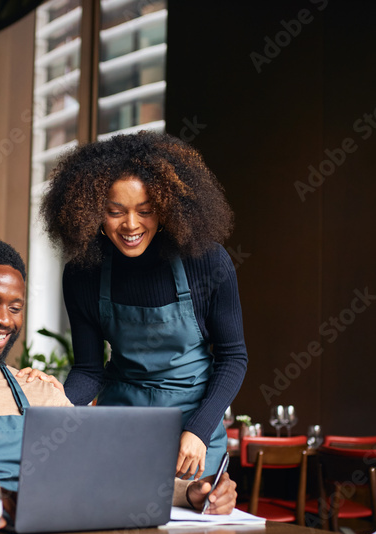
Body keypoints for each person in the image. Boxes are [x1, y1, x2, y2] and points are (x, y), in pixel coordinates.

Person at [0, 238, 235, 518]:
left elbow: (104, 475)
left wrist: (190, 493)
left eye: (15, 307)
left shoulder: (38, 392)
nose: (4, 319)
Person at [30, 131, 248, 482]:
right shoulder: (83, 274)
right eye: (114, 212)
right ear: (93, 212)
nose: (131, 225)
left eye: (145, 211)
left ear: (165, 209)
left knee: (192, 516)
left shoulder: (206, 262)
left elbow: (233, 357)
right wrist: (57, 403)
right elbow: (89, 370)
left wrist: (199, 430)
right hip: (120, 425)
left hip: (192, 431)